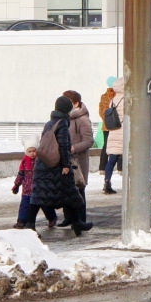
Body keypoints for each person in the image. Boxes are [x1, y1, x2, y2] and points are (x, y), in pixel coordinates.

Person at [33, 96, 92, 235]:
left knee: (40, 197)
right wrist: (66, 164)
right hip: (58, 166)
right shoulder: (63, 124)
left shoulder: (50, 122)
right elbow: (63, 145)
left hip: (45, 164)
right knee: (71, 194)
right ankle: (77, 223)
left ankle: (76, 222)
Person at [58, 90, 93, 228]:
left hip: (78, 160)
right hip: (67, 159)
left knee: (79, 190)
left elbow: (89, 141)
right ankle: (69, 218)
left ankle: (80, 219)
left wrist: (73, 148)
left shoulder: (82, 119)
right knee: (67, 189)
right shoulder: (65, 118)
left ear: (76, 103)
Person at [12, 141, 57, 230]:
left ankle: (52, 218)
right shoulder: (24, 162)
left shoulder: (40, 161)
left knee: (45, 205)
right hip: (27, 190)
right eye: (30, 151)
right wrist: (16, 185)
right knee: (25, 205)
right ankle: (22, 221)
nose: (32, 153)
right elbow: (21, 174)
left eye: (34, 151)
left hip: (40, 189)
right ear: (26, 152)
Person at [101, 78, 125, 194]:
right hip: (125, 133)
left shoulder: (113, 100)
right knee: (129, 160)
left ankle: (107, 182)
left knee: (112, 160)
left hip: (114, 132)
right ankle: (130, 183)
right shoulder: (128, 99)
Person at [97, 77, 118, 191]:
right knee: (118, 149)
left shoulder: (104, 96)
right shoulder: (117, 96)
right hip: (117, 127)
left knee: (106, 147)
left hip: (106, 125)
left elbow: (101, 111)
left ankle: (102, 169)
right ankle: (120, 169)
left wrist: (106, 121)